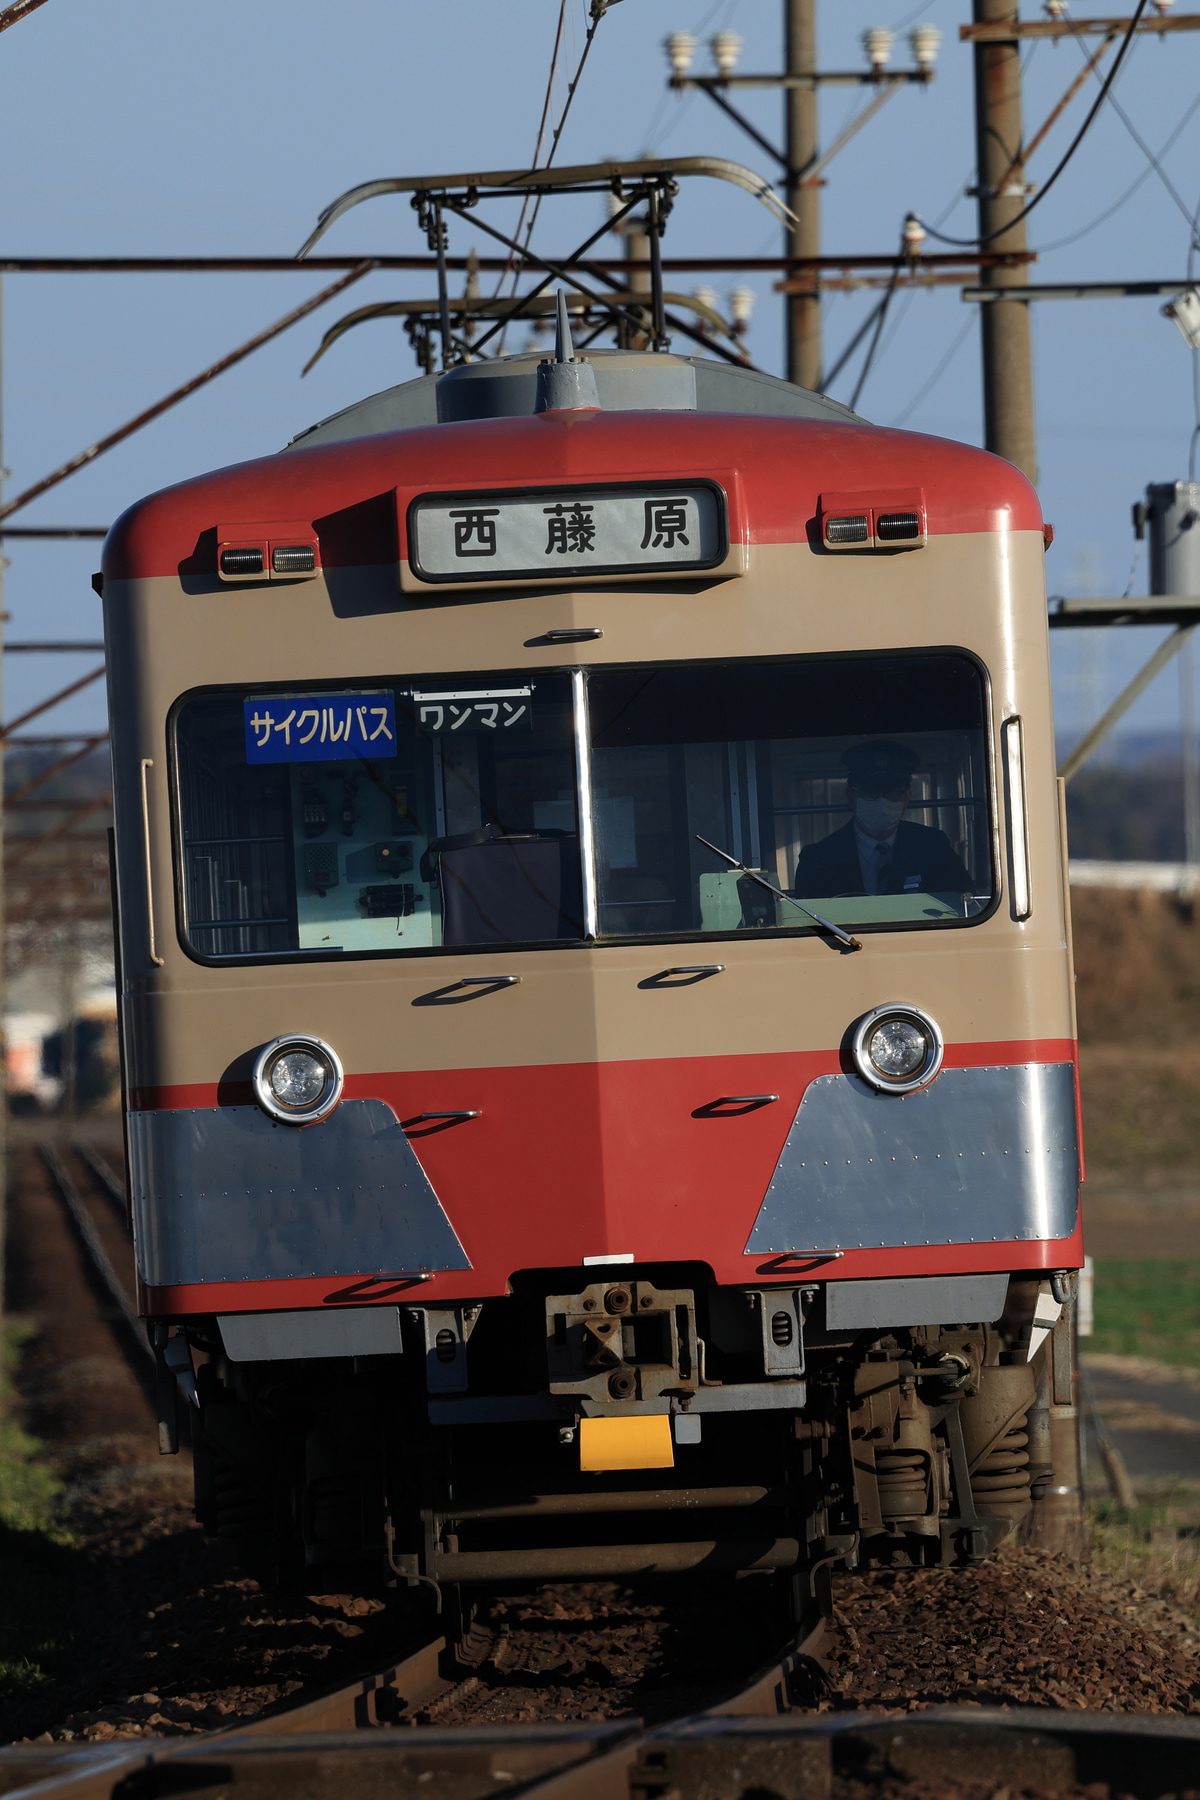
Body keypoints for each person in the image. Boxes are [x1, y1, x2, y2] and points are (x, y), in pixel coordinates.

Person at [795, 740, 971, 898]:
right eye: (870, 792)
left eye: (892, 793)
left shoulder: (933, 847)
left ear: (906, 798)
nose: (881, 802)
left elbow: (963, 902)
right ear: (850, 796)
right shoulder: (818, 858)